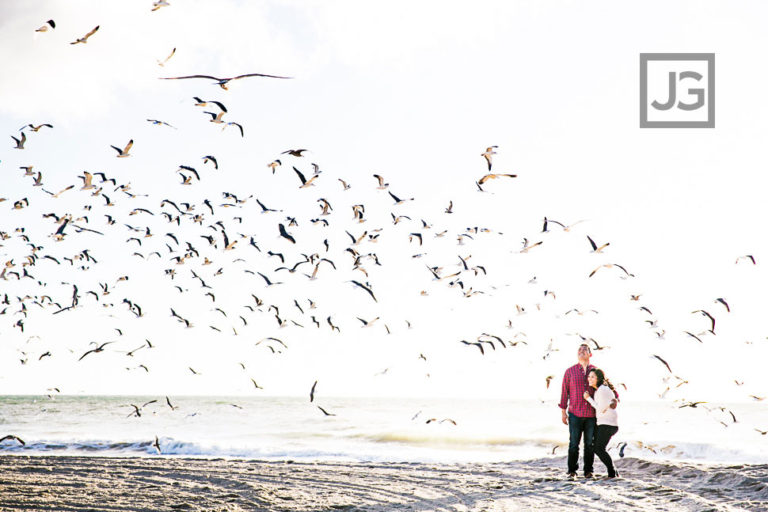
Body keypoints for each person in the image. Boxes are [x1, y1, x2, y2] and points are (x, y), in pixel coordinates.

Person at [558, 343, 617, 478]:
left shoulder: (596, 371)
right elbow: (564, 392)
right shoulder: (570, 371)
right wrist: (563, 412)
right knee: (574, 444)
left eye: (585, 350)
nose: (581, 351)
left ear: (590, 354)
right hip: (574, 414)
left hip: (591, 416)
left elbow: (609, 387)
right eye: (579, 349)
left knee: (589, 445)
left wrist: (615, 399)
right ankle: (572, 471)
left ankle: (588, 471)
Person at [584, 368, 619, 479]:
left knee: (599, 448)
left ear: (598, 378)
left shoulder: (602, 390)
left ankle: (612, 473)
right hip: (606, 423)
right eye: (589, 376)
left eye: (592, 377)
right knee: (599, 448)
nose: (589, 378)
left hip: (608, 424)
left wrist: (588, 398)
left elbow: (600, 409)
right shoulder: (600, 390)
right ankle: (613, 472)